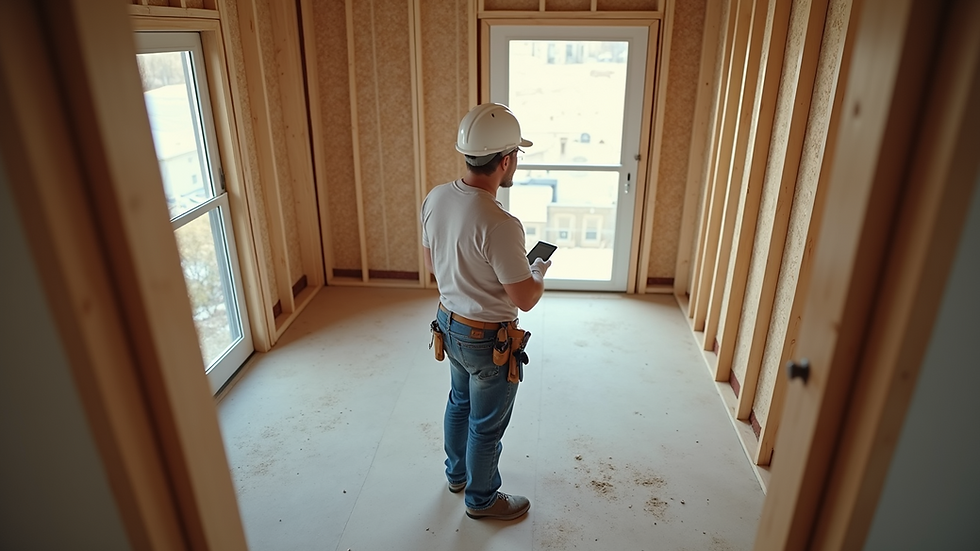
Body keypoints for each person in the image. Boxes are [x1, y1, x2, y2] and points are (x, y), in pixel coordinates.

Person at [420, 103, 552, 521]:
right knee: (486, 424)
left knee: (460, 402)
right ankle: (481, 499)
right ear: (506, 160)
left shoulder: (437, 197)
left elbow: (434, 265)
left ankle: (456, 476)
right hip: (486, 340)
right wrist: (538, 271)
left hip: (447, 322)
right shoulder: (500, 223)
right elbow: (525, 299)